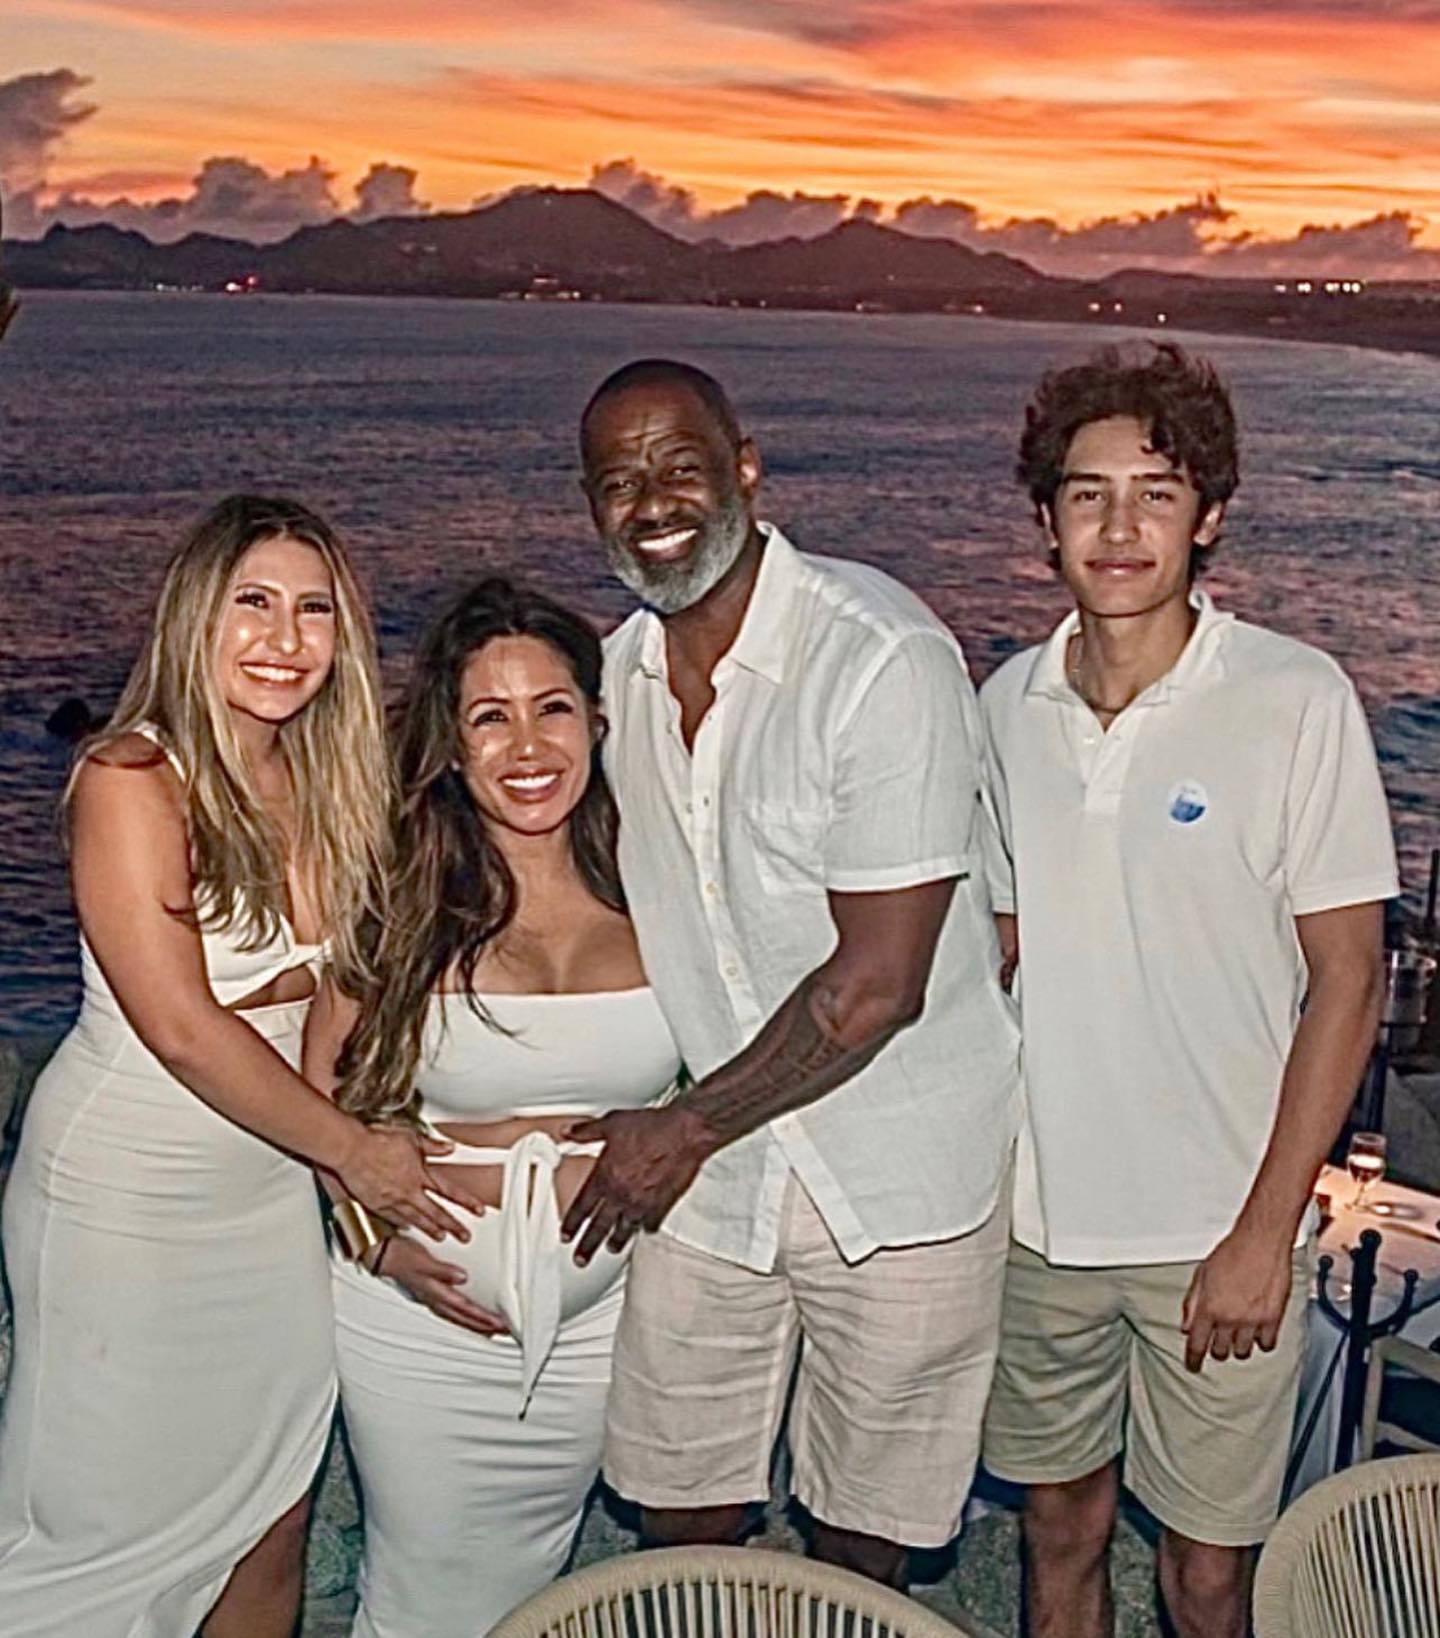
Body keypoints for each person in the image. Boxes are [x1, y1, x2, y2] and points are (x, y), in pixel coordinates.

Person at [563, 358, 1022, 1587]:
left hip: (896, 1177)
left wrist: (682, 1126)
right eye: (619, 480)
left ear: (746, 469)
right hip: (716, 1182)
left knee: (860, 1546)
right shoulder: (616, 682)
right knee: (674, 1507)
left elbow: (876, 985)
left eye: (681, 465)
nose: (652, 499)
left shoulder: (879, 657)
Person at [0, 495, 477, 1638]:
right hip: (126, 1205)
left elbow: (335, 1005)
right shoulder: (131, 778)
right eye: (253, 603)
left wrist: (352, 1175)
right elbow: (182, 1026)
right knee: (89, 1531)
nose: (284, 637)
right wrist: (360, 1159)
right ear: (195, 616)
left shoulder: (334, 784)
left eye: (314, 611)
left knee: (270, 1514)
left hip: (265, 1203)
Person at [978, 344, 1396, 1638]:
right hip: (1035, 1228)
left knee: (1210, 1574)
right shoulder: (1002, 706)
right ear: (1045, 520)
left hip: (1218, 1237)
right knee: (1059, 1538)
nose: (1118, 526)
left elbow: (1351, 978)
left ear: (1208, 514)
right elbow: (989, 962)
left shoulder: (1291, 699)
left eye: (1155, 492)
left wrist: (1265, 1230)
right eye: (1087, 493)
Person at [303, 577, 682, 1638]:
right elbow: (314, 1089)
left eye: (552, 707)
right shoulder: (406, 890)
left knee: (537, 1596)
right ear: (454, 744)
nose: (527, 744)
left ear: (597, 724)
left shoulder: (663, 886)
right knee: (422, 1594)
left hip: (603, 1327)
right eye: (490, 715)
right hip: (421, 1330)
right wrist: (371, 1235)